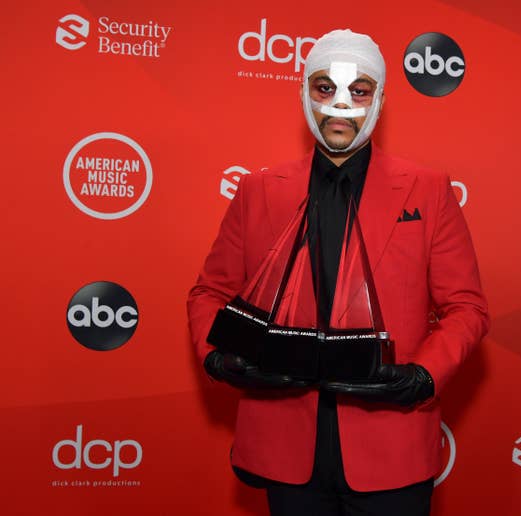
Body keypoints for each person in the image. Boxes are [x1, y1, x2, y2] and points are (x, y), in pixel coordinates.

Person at [187, 29, 489, 516]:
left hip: (393, 446)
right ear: (304, 93)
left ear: (381, 99)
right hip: (286, 446)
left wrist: (424, 376)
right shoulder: (258, 190)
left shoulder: (429, 190)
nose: (340, 105)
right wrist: (218, 357)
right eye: (324, 88)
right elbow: (209, 293)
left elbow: (466, 308)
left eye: (360, 90)